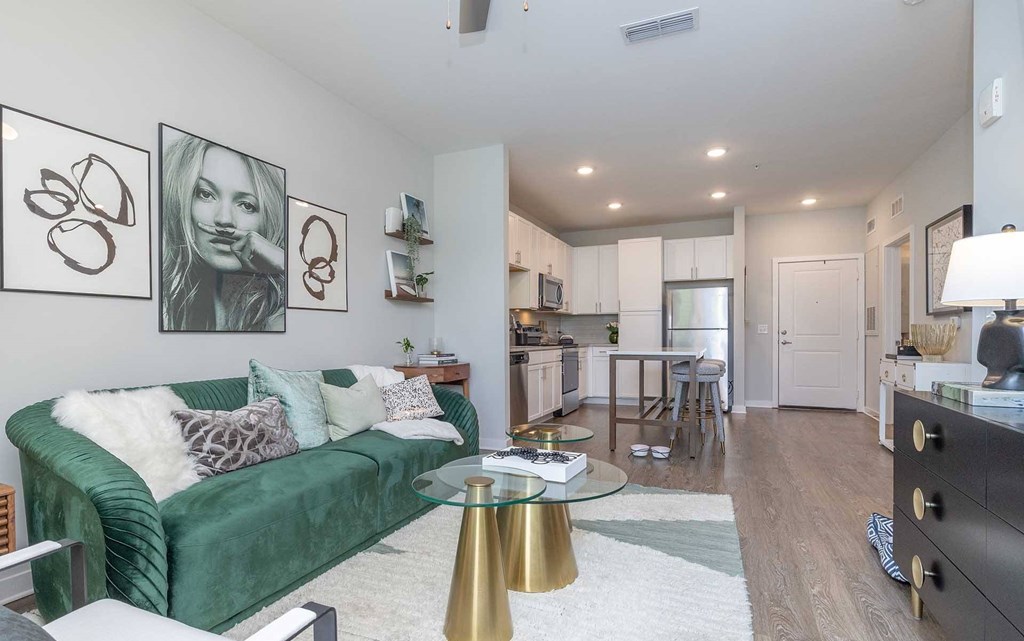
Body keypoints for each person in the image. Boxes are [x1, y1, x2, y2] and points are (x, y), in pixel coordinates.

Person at [161, 132, 285, 331]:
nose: (224, 219)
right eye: (205, 194)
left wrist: (284, 264)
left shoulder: (279, 316)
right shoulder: (165, 308)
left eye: (246, 205)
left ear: (268, 218)